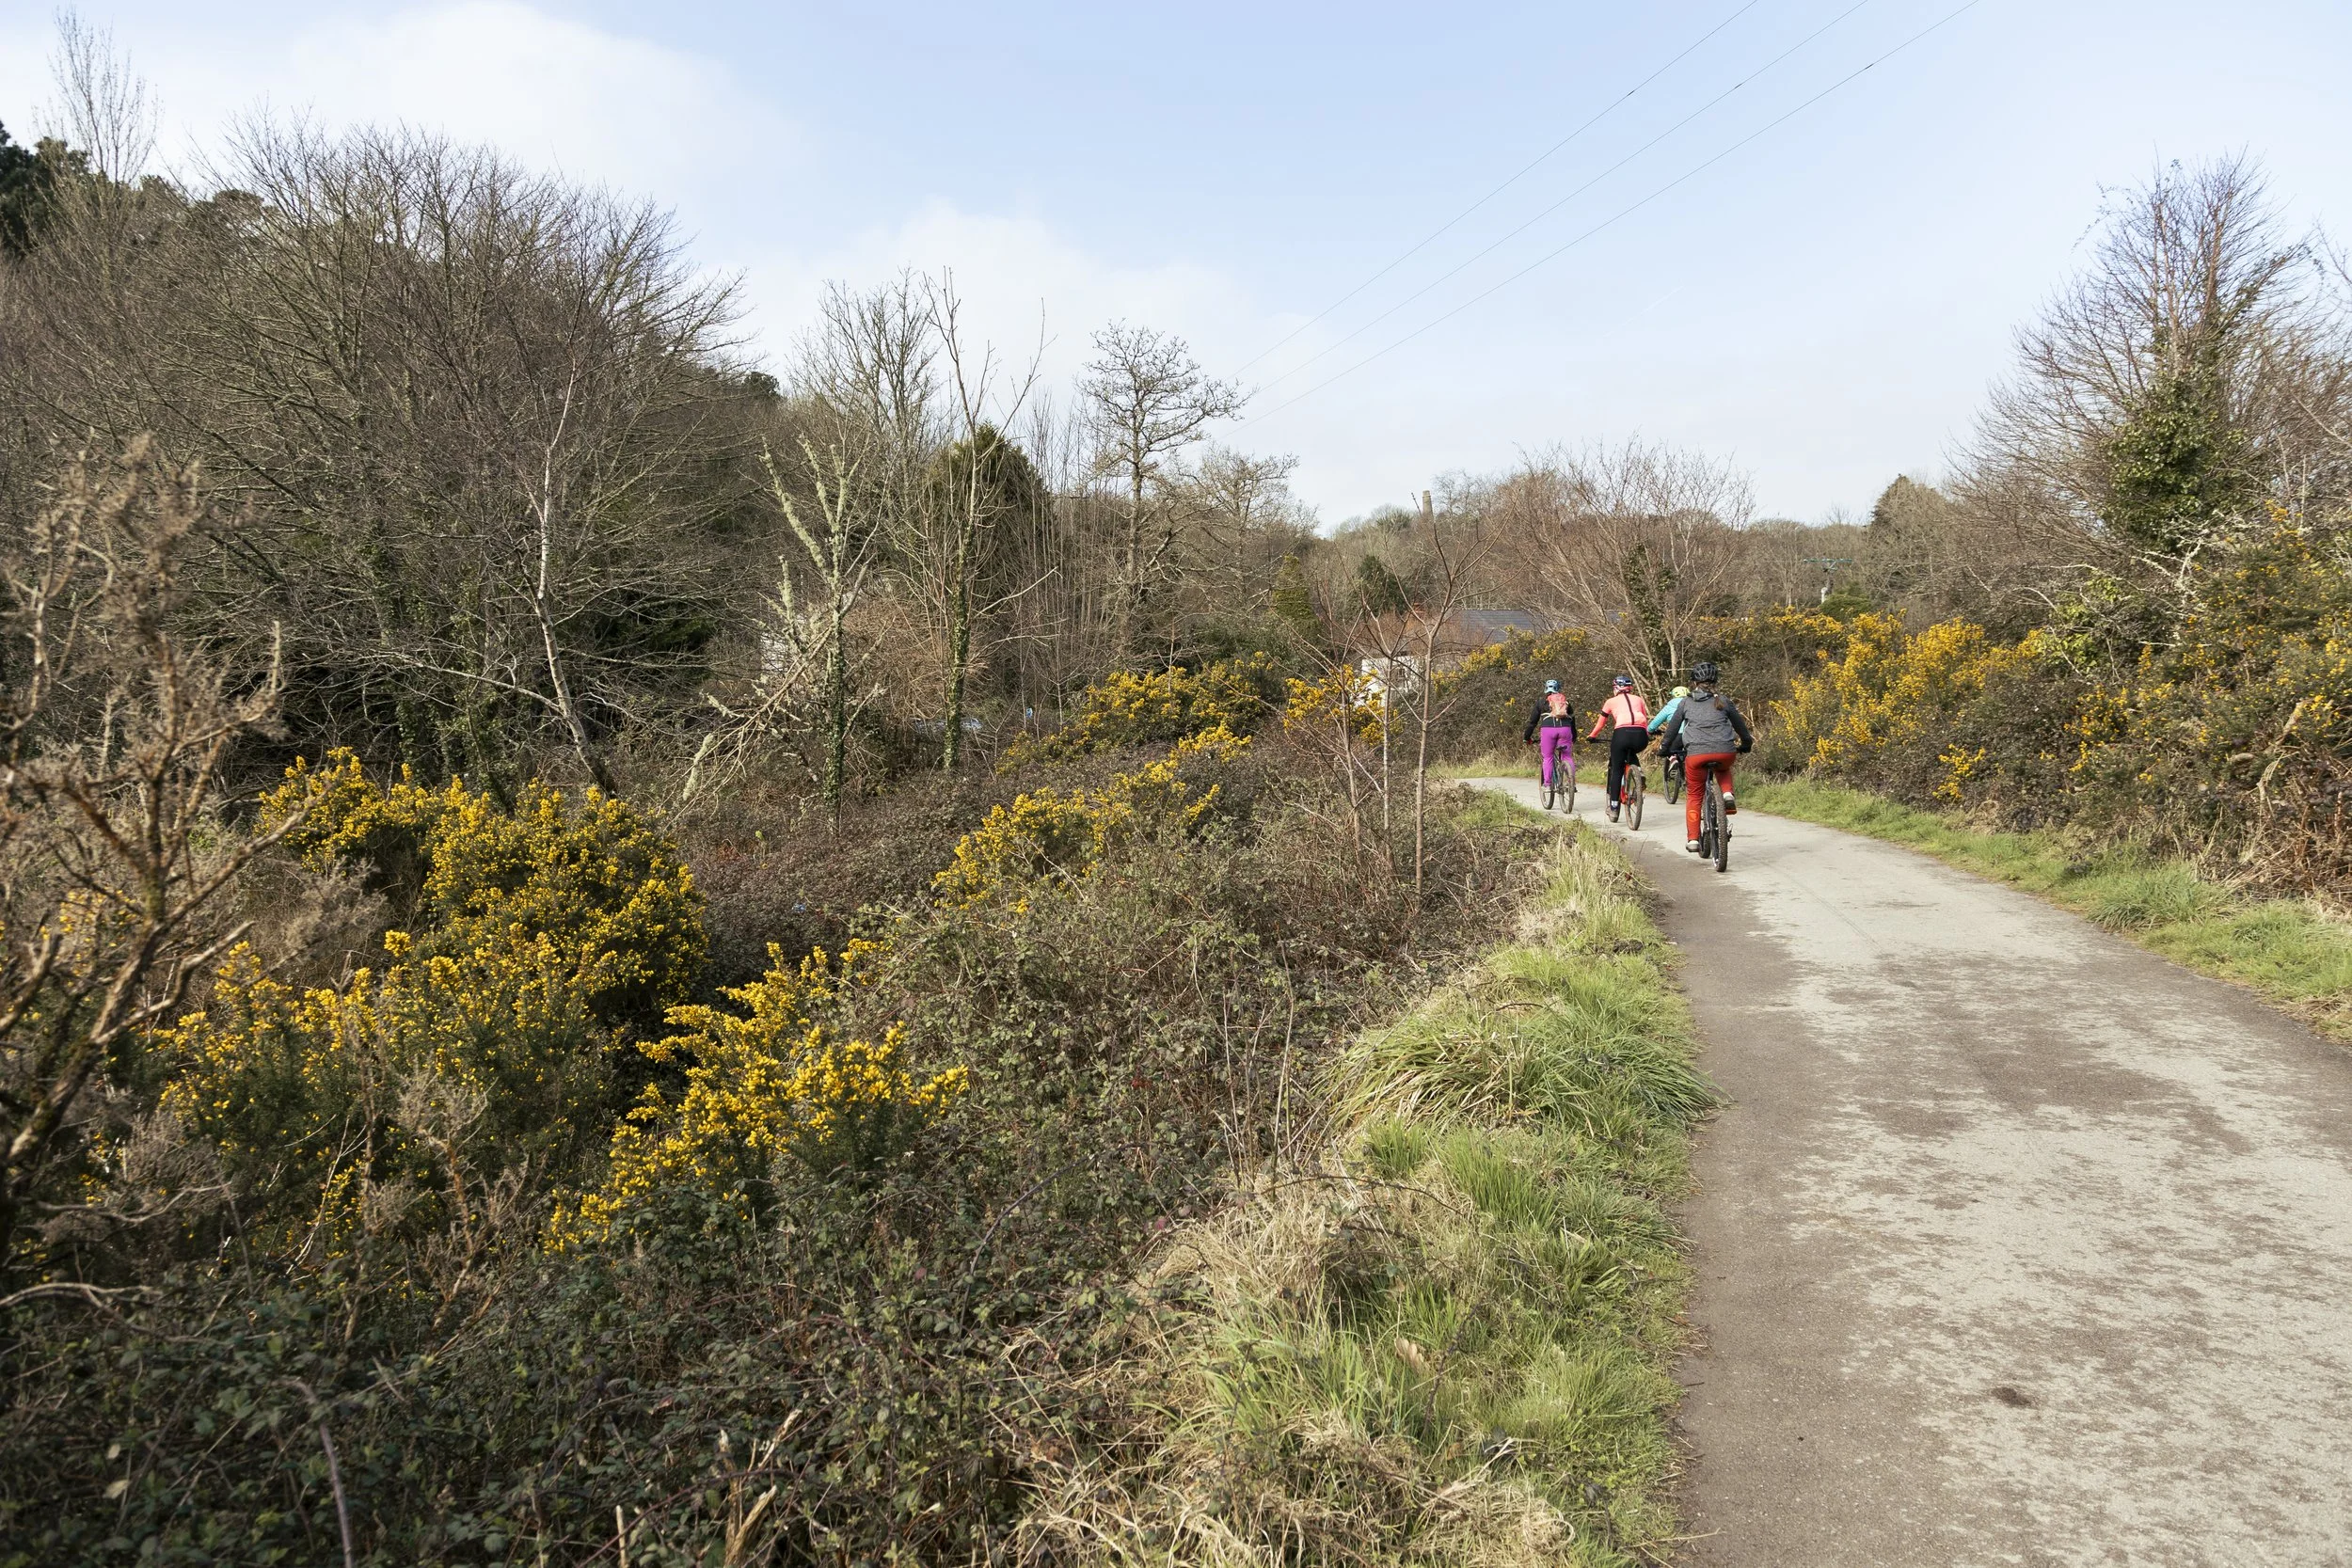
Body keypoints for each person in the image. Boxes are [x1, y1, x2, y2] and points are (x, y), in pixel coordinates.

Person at [1657, 662, 1752, 852]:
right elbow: (1741, 728)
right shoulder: (1723, 700)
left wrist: (1664, 749)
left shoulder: (1686, 702)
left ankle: (1693, 839)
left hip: (1696, 754)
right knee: (1723, 768)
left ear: (1694, 682)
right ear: (1715, 681)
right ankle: (1727, 794)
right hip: (1725, 750)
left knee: (1694, 795)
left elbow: (1672, 730)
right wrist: (1746, 745)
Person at [1586, 674, 1651, 823]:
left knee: (1617, 769)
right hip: (1641, 736)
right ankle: (1638, 771)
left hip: (1622, 734)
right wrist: (1646, 734)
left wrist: (1592, 736)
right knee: (1632, 752)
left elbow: (1601, 723)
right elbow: (1645, 719)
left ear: (1615, 688)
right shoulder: (1639, 699)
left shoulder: (1610, 701)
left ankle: (1614, 808)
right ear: (1630, 688)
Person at [1523, 679, 1577, 795]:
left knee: (1548, 757)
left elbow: (1532, 722)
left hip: (1548, 730)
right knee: (1567, 756)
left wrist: (1526, 737)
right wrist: (1574, 736)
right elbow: (1572, 720)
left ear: (1546, 689)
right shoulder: (1565, 701)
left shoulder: (1541, 702)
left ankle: (1547, 784)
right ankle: (1571, 783)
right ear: (1558, 689)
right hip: (1565, 729)